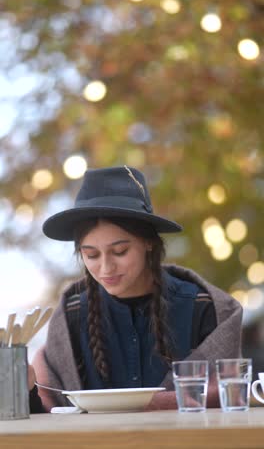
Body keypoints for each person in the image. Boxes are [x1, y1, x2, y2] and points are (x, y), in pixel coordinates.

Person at [29, 166, 242, 412]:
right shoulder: (70, 317)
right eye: (91, 255)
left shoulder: (203, 307)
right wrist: (27, 389)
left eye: (120, 251)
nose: (106, 268)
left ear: (149, 242)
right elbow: (51, 410)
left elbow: (228, 400)